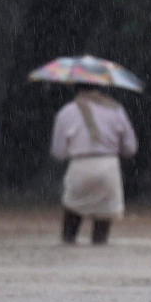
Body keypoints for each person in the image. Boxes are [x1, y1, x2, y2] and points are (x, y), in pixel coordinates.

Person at [50, 86, 138, 244]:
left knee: (73, 209)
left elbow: (59, 152)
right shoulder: (116, 110)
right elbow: (130, 147)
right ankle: (100, 249)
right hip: (108, 165)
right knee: (104, 215)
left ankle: (69, 243)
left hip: (80, 164)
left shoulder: (66, 112)